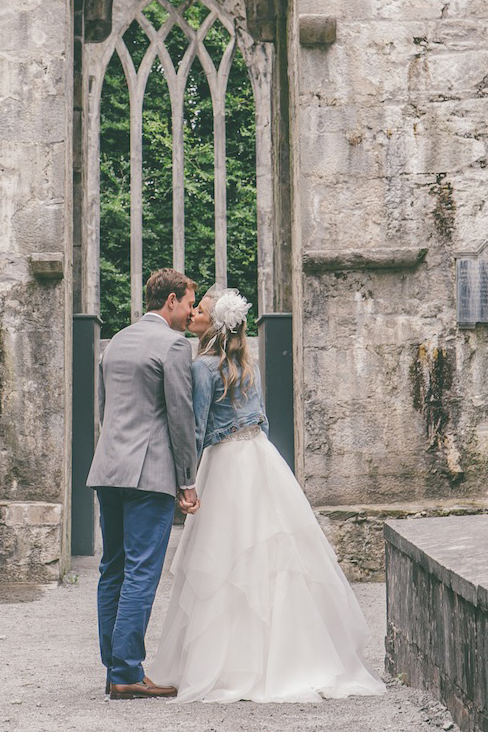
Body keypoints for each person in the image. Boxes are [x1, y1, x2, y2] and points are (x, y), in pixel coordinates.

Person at [151, 285, 387, 703]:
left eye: (200, 310)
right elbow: (259, 417)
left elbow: (199, 426)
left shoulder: (203, 367)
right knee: (273, 554)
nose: (193, 315)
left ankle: (227, 661)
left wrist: (183, 472)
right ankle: (291, 654)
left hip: (225, 463)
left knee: (224, 558)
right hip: (259, 456)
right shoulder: (248, 364)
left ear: (213, 323)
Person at [86, 268, 200, 700]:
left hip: (108, 469)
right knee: (140, 571)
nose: (191, 312)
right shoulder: (173, 345)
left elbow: (105, 410)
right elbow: (180, 417)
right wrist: (186, 481)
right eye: (189, 302)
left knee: (111, 568)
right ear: (170, 300)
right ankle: (128, 672)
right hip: (148, 474)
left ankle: (114, 667)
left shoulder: (116, 342)